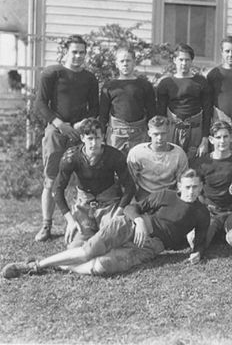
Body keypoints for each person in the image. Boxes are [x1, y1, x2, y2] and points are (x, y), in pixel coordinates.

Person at [2, 169, 210, 279]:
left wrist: (197, 252)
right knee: (87, 252)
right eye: (188, 187)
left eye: (196, 187)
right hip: (131, 226)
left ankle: (63, 266)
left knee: (102, 266)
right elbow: (132, 207)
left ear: (201, 188)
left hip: (152, 246)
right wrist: (138, 221)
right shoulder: (166, 195)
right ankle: (34, 266)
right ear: (180, 186)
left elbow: (200, 240)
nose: (191, 192)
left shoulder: (202, 213)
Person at [34, 34, 99, 241]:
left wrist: (82, 124)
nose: (78, 56)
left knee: (85, 178)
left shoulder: (89, 78)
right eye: (74, 52)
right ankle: (46, 225)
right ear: (65, 52)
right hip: (56, 130)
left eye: (82, 52)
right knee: (52, 179)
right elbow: (40, 104)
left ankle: (84, 222)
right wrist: (59, 124)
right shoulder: (52, 73)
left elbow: (95, 108)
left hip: (80, 133)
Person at [53, 118, 135, 249]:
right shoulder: (71, 157)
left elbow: (130, 187)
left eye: (97, 138)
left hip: (109, 205)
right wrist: (70, 220)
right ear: (82, 138)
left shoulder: (114, 156)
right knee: (75, 247)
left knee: (112, 241)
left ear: (103, 137)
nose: (94, 143)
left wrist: (119, 212)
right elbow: (57, 190)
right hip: (84, 206)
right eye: (90, 138)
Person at [191, 121, 232, 245]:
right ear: (211, 139)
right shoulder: (202, 163)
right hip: (212, 211)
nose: (222, 141)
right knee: (199, 242)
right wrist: (203, 204)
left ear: (231, 138)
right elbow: (195, 188)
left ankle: (231, 237)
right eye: (218, 137)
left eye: (225, 136)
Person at [156, 43, 212, 158]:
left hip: (195, 131)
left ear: (191, 61)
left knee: (195, 167)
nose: (184, 63)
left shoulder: (201, 82)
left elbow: (207, 112)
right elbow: (161, 114)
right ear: (174, 60)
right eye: (181, 59)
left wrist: (205, 140)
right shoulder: (166, 83)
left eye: (187, 60)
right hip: (172, 130)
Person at [99, 46, 156, 155]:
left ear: (134, 62)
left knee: (138, 165)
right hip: (116, 134)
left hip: (140, 134)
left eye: (128, 60)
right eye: (122, 61)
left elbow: (151, 112)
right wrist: (101, 135)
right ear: (116, 64)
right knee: (115, 164)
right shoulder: (109, 86)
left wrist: (153, 133)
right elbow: (103, 115)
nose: (125, 64)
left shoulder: (144, 85)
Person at [127, 116, 188, 201]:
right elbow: (130, 181)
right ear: (149, 133)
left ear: (168, 132)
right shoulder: (137, 153)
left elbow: (182, 183)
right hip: (145, 194)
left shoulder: (179, 154)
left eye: (163, 133)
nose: (160, 138)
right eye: (156, 134)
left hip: (169, 194)